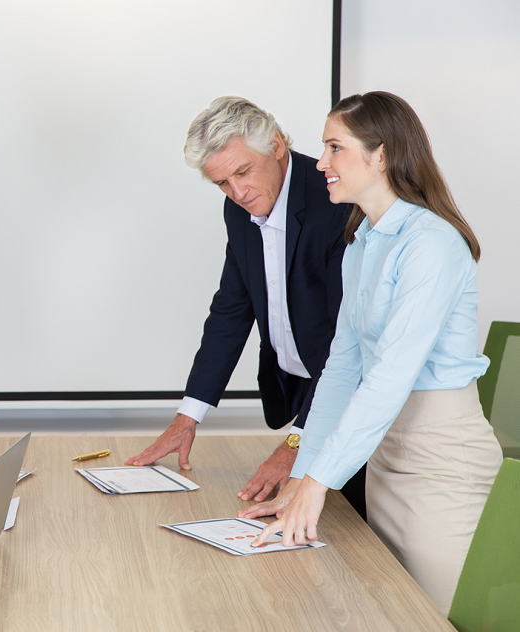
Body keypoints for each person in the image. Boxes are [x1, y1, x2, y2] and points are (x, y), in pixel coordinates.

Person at [244, 91, 502, 615]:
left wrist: (318, 484)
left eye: (335, 148)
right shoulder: (362, 241)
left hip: (440, 463)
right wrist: (301, 478)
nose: (321, 163)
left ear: (380, 155)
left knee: (434, 616)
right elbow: (343, 367)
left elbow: (391, 374)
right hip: (386, 455)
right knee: (383, 609)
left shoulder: (431, 243)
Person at [125, 97, 365, 515]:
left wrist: (298, 442)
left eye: (242, 171)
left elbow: (345, 344)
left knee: (352, 526)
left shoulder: (334, 199)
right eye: (221, 183)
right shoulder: (238, 210)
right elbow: (231, 311)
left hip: (348, 392)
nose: (237, 193)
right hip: (302, 388)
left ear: (275, 146)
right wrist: (188, 417)